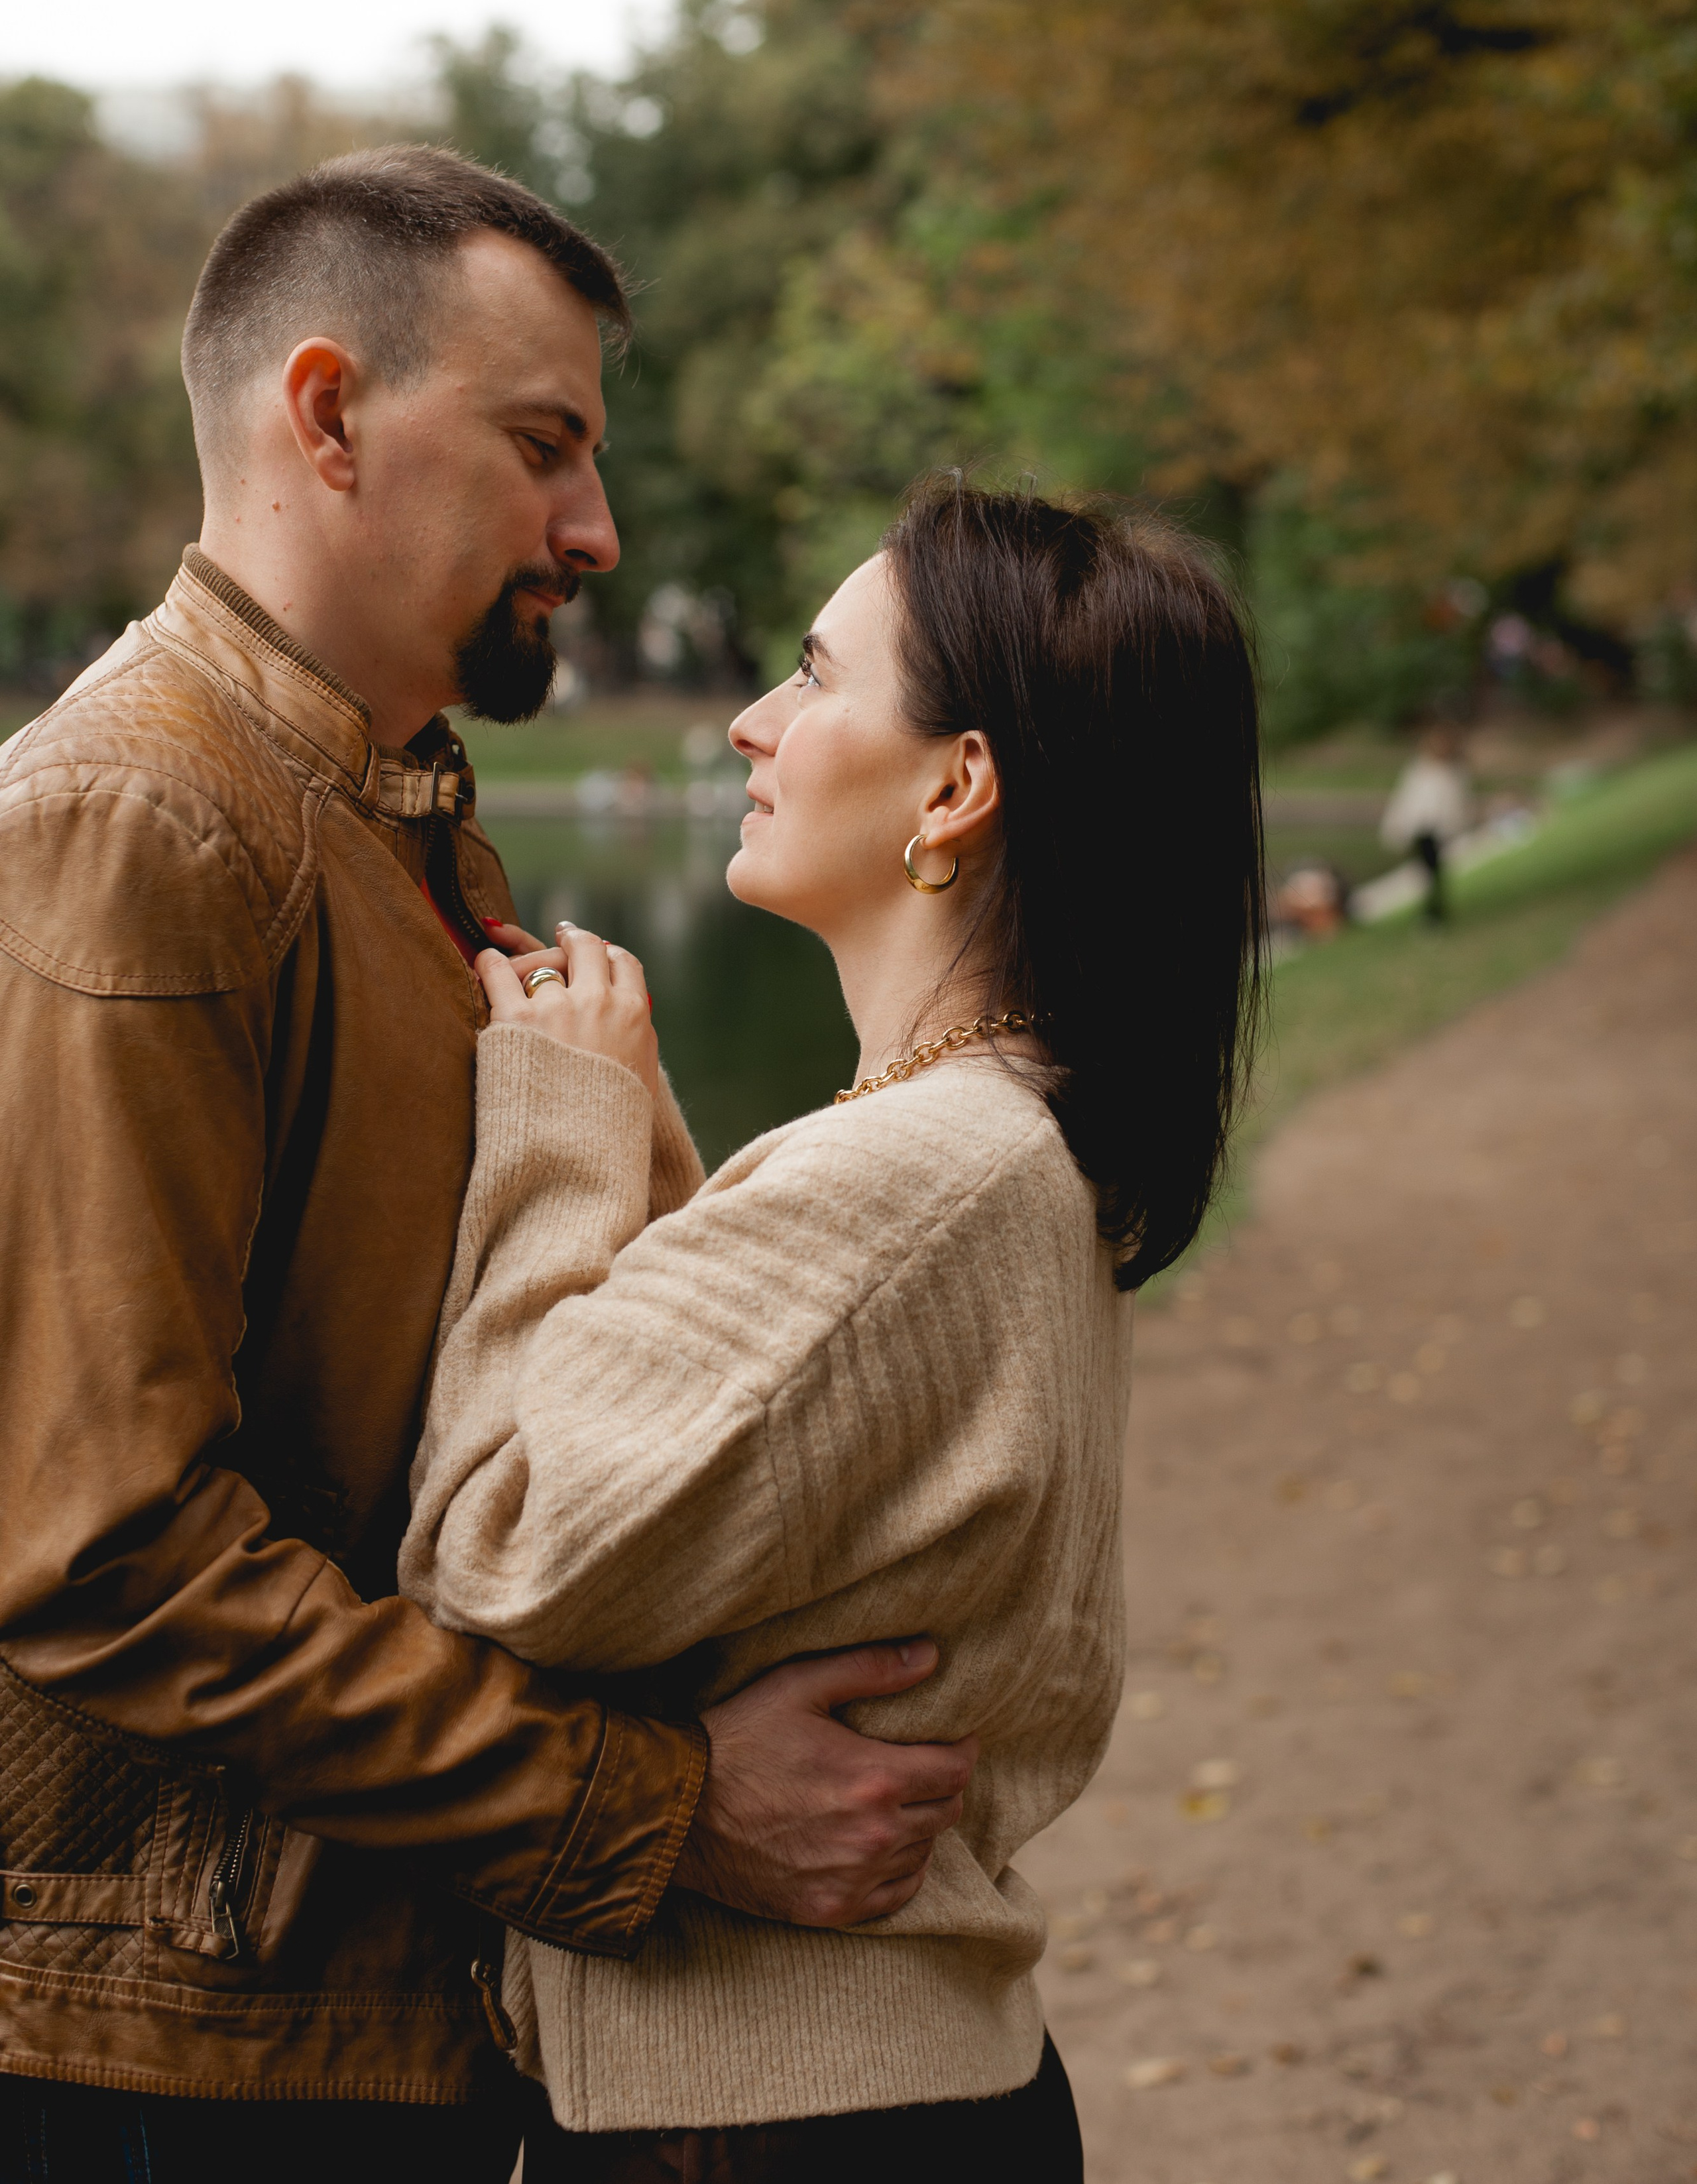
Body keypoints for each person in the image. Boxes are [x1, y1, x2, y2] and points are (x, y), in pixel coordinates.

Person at [0, 148, 974, 2183]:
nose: (594, 528)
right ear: (328, 411)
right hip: (165, 2060)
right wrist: (658, 1807)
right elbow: (99, 1553)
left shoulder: (387, 812)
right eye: (543, 447)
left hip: (368, 2008)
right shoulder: (138, 826)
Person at [400, 482, 1267, 2177]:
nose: (750, 718)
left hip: (770, 2112)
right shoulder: (992, 1143)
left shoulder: (922, 1176)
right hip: (871, 2095)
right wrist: (653, 1146)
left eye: (812, 673)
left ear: (953, 787)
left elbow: (493, 1547)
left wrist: (559, 1136)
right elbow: (761, 1468)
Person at [1379, 722, 1472, 922]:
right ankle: (1432, 912)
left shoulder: (1452, 772)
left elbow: (1456, 804)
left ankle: (1435, 913)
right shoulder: (1419, 770)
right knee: (1427, 874)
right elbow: (1406, 802)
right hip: (1420, 830)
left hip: (1439, 830)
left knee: (1434, 874)